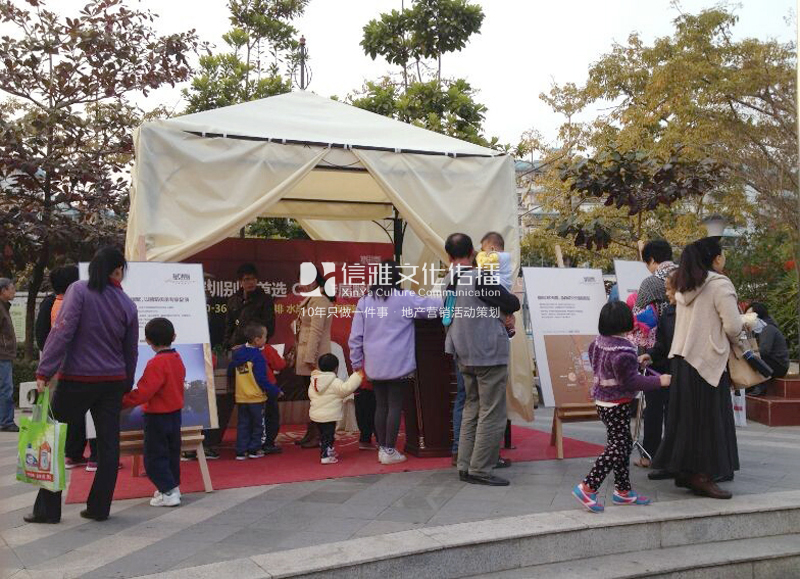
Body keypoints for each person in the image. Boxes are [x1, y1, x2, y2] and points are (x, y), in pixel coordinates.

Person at [26, 247, 138, 524]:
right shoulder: (127, 304)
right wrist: (126, 383)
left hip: (76, 379)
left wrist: (44, 371)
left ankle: (48, 510)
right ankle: (99, 508)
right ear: (118, 270)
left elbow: (61, 332)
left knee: (52, 439)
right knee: (109, 446)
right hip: (112, 382)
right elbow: (130, 350)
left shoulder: (79, 290)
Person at [652, 236, 742, 499]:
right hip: (707, 361)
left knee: (686, 420)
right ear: (716, 259)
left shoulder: (685, 284)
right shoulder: (719, 284)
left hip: (682, 360)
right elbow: (733, 326)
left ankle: (686, 473)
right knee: (708, 421)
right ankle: (702, 476)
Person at [573, 302, 670, 513]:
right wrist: (659, 381)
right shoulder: (624, 350)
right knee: (618, 447)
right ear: (626, 322)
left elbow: (613, 369)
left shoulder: (596, 343)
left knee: (622, 444)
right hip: (617, 404)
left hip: (603, 402)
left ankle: (623, 491)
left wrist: (634, 365)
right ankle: (588, 486)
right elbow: (631, 382)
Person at [348, 260, 443, 465]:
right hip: (399, 362)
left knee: (381, 405)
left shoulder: (365, 301)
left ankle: (383, 448)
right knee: (395, 405)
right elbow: (433, 308)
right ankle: (389, 450)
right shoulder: (404, 297)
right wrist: (446, 294)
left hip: (374, 364)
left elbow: (355, 336)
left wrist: (356, 362)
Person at [443, 234, 520, 486]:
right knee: (492, 412)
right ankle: (480, 469)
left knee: (471, 408)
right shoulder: (479, 277)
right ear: (473, 252)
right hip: (488, 353)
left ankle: (465, 465)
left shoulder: (448, 280)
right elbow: (512, 302)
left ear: (449, 256)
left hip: (462, 353)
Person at [34, 266, 96, 469]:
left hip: (55, 367)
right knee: (84, 411)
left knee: (62, 412)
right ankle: (82, 453)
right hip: (78, 367)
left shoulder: (49, 304)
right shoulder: (80, 303)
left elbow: (42, 337)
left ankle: (67, 452)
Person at [122, 318, 185, 508]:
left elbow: (144, 392)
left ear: (148, 340)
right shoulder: (177, 358)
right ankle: (173, 487)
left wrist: (121, 402)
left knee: (154, 456)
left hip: (157, 416)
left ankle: (168, 492)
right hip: (175, 414)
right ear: (174, 336)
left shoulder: (156, 363)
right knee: (172, 453)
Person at [639, 271, 678, 478]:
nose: (667, 294)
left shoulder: (695, 312)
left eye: (670, 290)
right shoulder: (668, 314)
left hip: (687, 373)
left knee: (675, 415)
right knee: (666, 412)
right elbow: (662, 344)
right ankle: (666, 460)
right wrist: (650, 355)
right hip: (668, 370)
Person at [293, 268, 335, 449]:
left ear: (315, 281)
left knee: (317, 398)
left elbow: (316, 331)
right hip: (308, 354)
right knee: (312, 397)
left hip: (315, 357)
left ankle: (318, 435)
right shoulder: (312, 299)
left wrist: (310, 358)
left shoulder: (319, 300)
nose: (303, 284)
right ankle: (312, 432)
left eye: (307, 280)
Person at [229, 322, 280, 460]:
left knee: (243, 424)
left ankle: (241, 451)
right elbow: (261, 379)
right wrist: (275, 390)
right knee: (258, 425)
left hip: (241, 396)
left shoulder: (238, 353)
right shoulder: (257, 356)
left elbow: (231, 371)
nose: (266, 339)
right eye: (265, 337)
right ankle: (254, 449)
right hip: (256, 397)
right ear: (257, 340)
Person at [308, 353, 363, 464]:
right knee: (328, 436)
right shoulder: (334, 381)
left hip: (316, 415)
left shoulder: (314, 381)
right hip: (329, 416)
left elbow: (310, 394)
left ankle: (327, 450)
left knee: (323, 435)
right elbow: (346, 389)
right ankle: (326, 455)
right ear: (336, 368)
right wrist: (357, 376)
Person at [632, 240, 678, 349]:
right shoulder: (685, 276)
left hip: (661, 343)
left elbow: (637, 315)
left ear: (652, 260)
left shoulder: (650, 283)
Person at [225, 263, 276, 349]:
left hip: (256, 347)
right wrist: (228, 346)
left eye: (253, 279)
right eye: (247, 279)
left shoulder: (265, 300)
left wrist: (249, 345)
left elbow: (269, 328)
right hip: (236, 347)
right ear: (240, 281)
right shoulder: (233, 301)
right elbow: (229, 328)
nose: (251, 282)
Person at [476, 231, 516, 337]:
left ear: (493, 249)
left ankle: (508, 327)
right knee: (506, 312)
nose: (484, 254)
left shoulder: (497, 257)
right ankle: (510, 328)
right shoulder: (506, 257)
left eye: (484, 250)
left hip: (499, 286)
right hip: (505, 288)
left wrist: (479, 257)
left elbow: (483, 265)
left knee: (496, 309)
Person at [745, 302, 789, 396]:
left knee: (752, 357)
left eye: (749, 315)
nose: (746, 318)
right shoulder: (756, 329)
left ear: (758, 315)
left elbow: (764, 351)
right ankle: (750, 385)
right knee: (746, 355)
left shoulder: (767, 328)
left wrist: (750, 352)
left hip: (778, 366)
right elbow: (748, 343)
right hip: (770, 363)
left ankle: (760, 387)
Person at [261, 340, 286, 454]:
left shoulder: (240, 350)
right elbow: (279, 364)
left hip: (248, 390)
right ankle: (268, 443)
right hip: (268, 386)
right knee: (271, 415)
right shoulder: (267, 349)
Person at [0, 278, 19, 432]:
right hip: (2, 355)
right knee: (6, 389)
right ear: (3, 290)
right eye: (12, 288)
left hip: (4, 355)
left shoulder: (4, 307)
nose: (14, 292)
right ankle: (6, 421)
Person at [354, 379, 377, 451]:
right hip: (369, 384)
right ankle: (380, 440)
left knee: (362, 412)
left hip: (358, 383)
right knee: (371, 412)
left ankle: (365, 439)